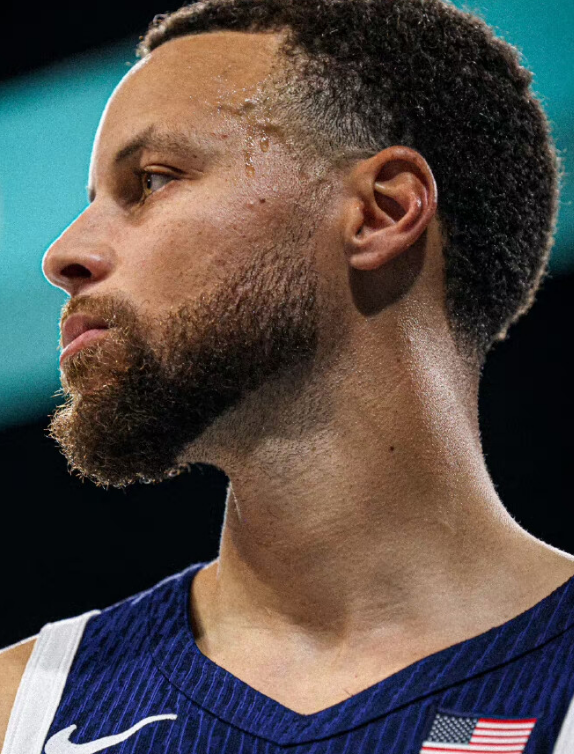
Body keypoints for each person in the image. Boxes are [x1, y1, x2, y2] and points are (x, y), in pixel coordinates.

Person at [1, 0, 572, 751]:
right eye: (94, 201)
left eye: (153, 180)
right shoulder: (19, 709)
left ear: (382, 212)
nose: (63, 255)